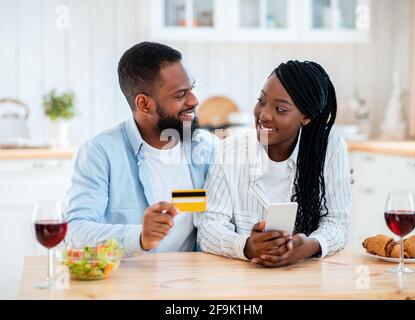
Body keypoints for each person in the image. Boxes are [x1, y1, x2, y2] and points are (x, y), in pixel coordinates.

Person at [63, 42, 218, 258]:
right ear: (144, 104)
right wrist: (140, 237)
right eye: (180, 94)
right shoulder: (100, 153)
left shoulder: (208, 148)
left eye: (191, 88)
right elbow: (74, 231)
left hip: (193, 282)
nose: (194, 100)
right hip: (129, 284)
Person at [194, 60, 351, 267]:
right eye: (261, 100)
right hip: (241, 281)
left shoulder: (330, 147)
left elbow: (338, 221)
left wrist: (311, 245)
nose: (264, 115)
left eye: (280, 109)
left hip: (305, 278)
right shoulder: (230, 151)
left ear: (306, 117)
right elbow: (208, 227)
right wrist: (247, 246)